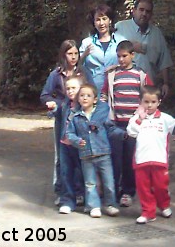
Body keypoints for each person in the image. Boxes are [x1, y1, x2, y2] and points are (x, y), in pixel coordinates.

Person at [127, 85, 175, 224]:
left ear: (159, 102)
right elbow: (131, 132)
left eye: (153, 102)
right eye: (146, 102)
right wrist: (140, 119)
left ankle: (164, 204)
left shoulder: (165, 118)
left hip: (159, 159)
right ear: (140, 102)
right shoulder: (135, 118)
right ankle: (148, 212)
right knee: (143, 188)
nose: (149, 105)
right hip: (141, 160)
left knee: (161, 186)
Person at [101, 40, 152, 208]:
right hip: (115, 124)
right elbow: (104, 96)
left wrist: (143, 114)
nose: (121, 60)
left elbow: (150, 96)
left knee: (130, 159)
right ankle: (112, 190)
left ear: (132, 55)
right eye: (118, 57)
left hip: (134, 125)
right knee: (114, 159)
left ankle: (128, 192)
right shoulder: (112, 75)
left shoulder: (141, 75)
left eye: (124, 56)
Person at [66, 84, 121, 218]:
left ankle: (110, 205)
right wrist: (77, 141)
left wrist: (122, 134)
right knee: (90, 183)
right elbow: (70, 133)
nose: (85, 98)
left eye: (88, 96)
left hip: (104, 153)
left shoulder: (101, 116)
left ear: (95, 99)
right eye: (82, 95)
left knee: (108, 182)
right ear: (78, 99)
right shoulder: (76, 117)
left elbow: (110, 128)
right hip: (86, 155)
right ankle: (93, 206)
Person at [40, 40, 84, 205]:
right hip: (62, 119)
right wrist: (53, 103)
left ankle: (79, 192)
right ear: (63, 55)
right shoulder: (56, 74)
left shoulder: (82, 73)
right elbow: (45, 95)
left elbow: (91, 90)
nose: (73, 57)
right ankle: (62, 191)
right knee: (62, 156)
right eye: (70, 54)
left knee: (79, 155)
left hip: (79, 118)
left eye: (76, 53)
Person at [115, 0, 173, 98]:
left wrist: (166, 83)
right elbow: (111, 52)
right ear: (134, 11)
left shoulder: (156, 34)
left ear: (151, 15)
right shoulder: (120, 28)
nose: (144, 14)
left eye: (148, 11)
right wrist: (130, 46)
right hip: (124, 87)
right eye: (141, 10)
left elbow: (164, 61)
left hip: (148, 89)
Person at [56, 76, 86, 214]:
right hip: (65, 143)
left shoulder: (85, 106)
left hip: (79, 143)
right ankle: (67, 201)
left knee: (81, 171)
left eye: (73, 88)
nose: (70, 91)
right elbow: (58, 115)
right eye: (68, 88)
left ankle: (83, 196)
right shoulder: (65, 104)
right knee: (66, 171)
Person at [79, 4, 124, 93]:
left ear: (110, 20)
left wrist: (116, 67)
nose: (101, 23)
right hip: (93, 92)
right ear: (94, 23)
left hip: (117, 90)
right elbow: (78, 67)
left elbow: (131, 64)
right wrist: (84, 55)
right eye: (98, 20)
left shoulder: (121, 41)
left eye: (104, 18)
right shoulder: (87, 42)